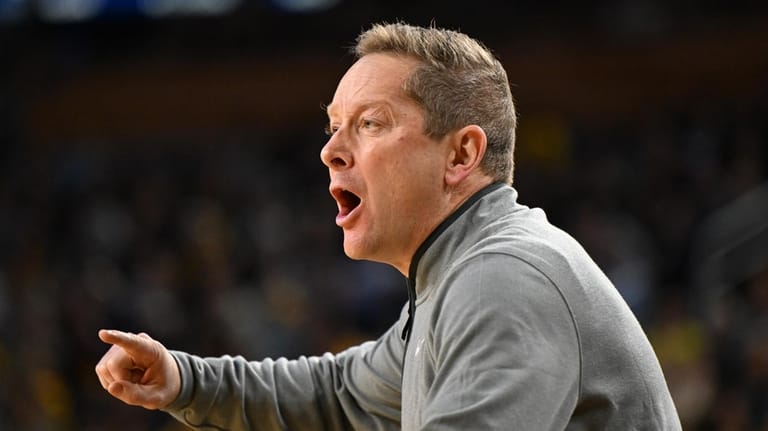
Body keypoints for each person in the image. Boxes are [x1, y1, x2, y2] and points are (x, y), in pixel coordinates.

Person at [95, 22, 682, 430]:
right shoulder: (454, 278)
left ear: (460, 156)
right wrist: (183, 380)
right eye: (332, 127)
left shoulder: (505, 280)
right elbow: (342, 395)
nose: (331, 151)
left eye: (370, 123)